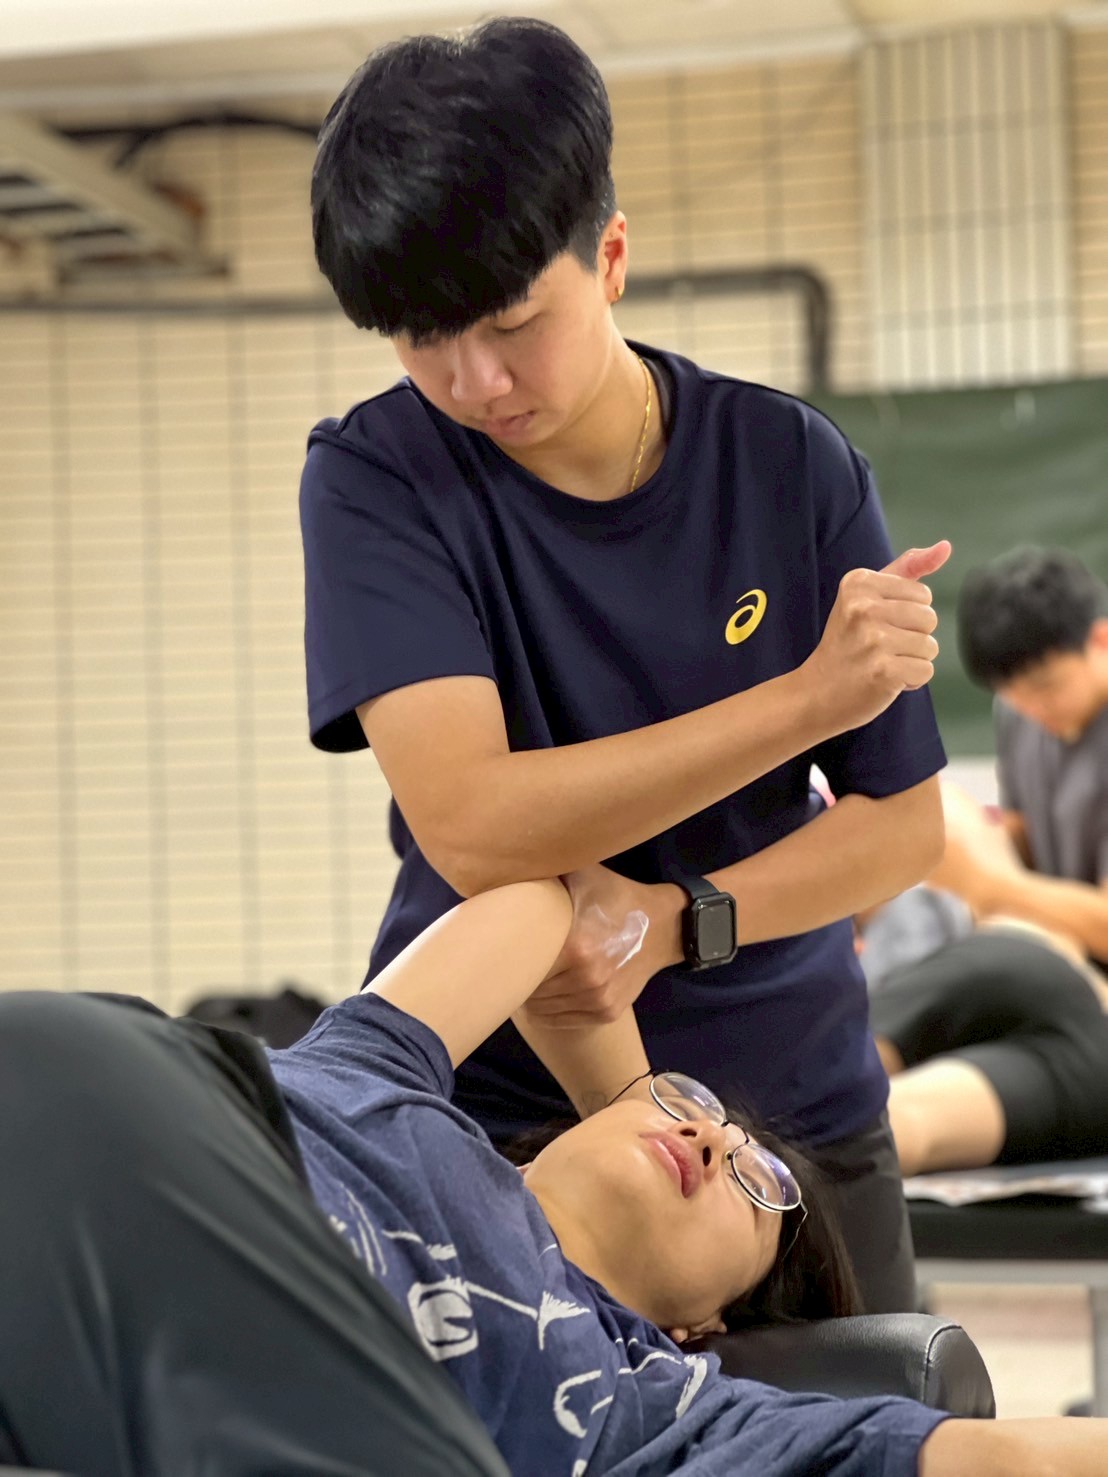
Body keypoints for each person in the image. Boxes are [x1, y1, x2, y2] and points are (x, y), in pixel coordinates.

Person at [300, 15, 950, 1312]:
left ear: (608, 257)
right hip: (505, 1127)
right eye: (423, 341)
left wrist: (674, 920)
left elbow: (903, 831)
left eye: (510, 323)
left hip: (789, 1122)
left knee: (883, 1404)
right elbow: (474, 826)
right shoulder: (378, 478)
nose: (476, 380)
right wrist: (805, 702)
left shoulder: (788, 466)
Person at [4, 878, 1108, 1476]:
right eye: (690, 1106)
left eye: (757, 1184)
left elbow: (1002, 1457)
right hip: (128, 1117)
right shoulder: (388, 1080)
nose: (714, 1140)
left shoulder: (658, 1405)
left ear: (701, 1325)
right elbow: (536, 905)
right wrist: (629, 1070)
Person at [948, 546, 1108, 964]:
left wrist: (984, 885)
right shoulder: (1016, 712)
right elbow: (1025, 836)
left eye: (1045, 686)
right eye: (1011, 694)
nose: (1032, 709)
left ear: (1101, 640)